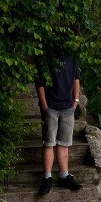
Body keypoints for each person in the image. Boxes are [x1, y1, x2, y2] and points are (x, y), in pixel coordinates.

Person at [35, 55, 82, 194]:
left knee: (64, 143)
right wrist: (44, 106)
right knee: (49, 143)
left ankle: (64, 176)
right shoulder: (45, 58)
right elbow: (40, 83)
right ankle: (47, 178)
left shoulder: (73, 58)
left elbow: (76, 79)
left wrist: (76, 101)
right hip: (51, 107)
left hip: (68, 107)